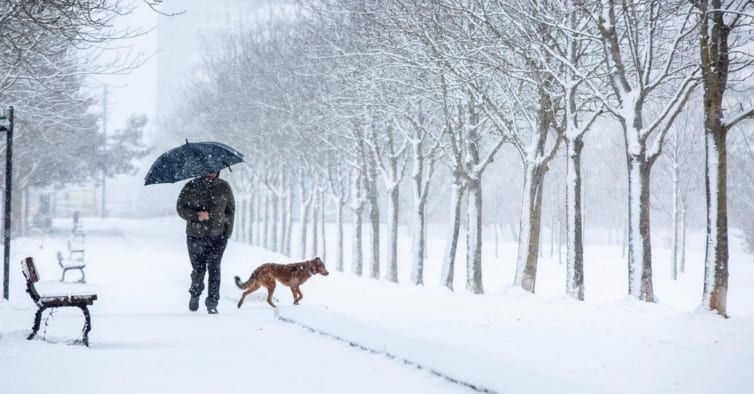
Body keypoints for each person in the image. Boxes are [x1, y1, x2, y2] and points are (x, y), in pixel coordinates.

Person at [176, 171, 235, 314]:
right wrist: (196, 215)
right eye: (209, 170)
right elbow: (180, 208)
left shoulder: (224, 187)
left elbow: (230, 211)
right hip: (196, 235)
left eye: (215, 170)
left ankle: (212, 303)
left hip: (218, 236)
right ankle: (195, 293)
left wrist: (227, 233)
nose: (212, 173)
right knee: (199, 269)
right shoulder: (191, 186)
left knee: (215, 269)